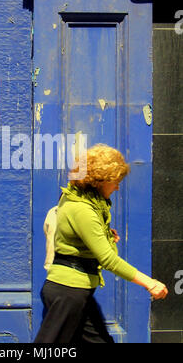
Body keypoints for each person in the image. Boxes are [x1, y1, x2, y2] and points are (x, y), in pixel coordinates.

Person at [34, 144, 168, 343]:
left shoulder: (78, 200)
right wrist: (149, 283)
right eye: (115, 181)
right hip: (68, 291)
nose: (117, 187)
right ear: (99, 180)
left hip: (76, 290)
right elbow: (108, 260)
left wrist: (102, 235)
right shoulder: (83, 210)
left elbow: (75, 236)